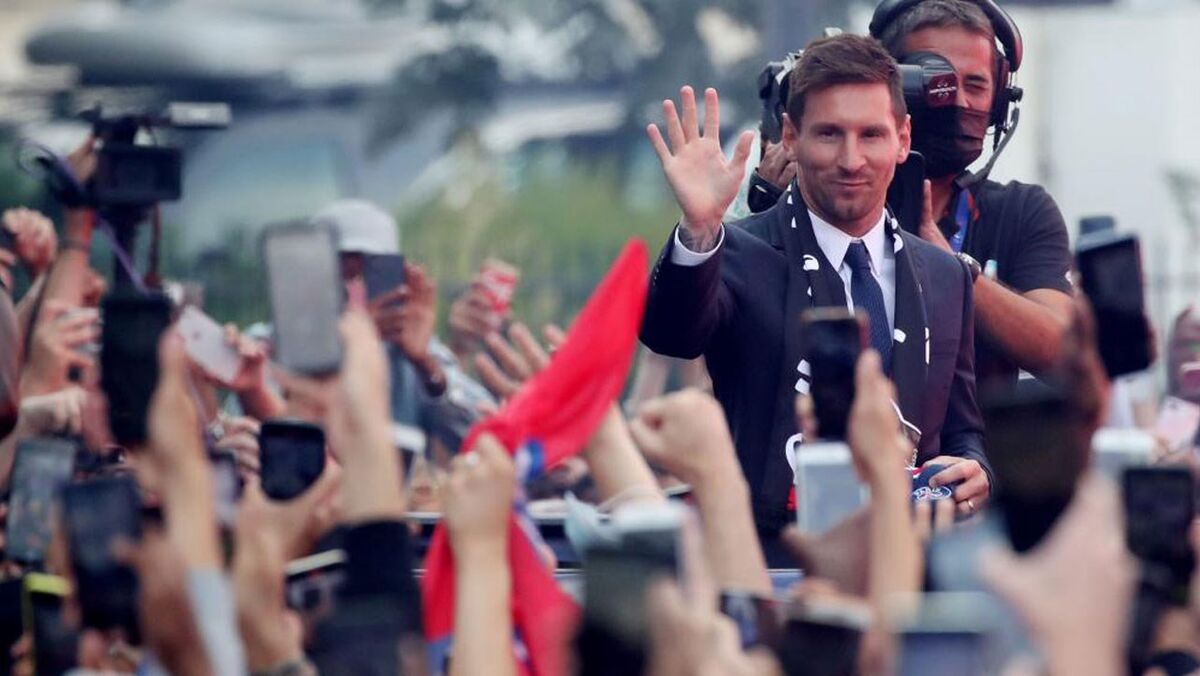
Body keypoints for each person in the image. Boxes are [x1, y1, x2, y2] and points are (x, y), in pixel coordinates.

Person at [640, 34, 988, 549]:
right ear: (790, 136)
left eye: (871, 135)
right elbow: (672, 335)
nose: (851, 160)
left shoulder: (944, 275)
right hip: (768, 561)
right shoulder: (736, 252)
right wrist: (698, 230)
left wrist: (976, 470)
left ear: (902, 138)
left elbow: (962, 430)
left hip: (909, 562)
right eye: (829, 134)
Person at [871, 0, 1074, 387]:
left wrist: (953, 270)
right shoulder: (836, 194)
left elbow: (1064, 352)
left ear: (998, 103)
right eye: (938, 81)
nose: (959, 101)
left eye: (976, 85)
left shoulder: (1021, 212)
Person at [310, 199, 493, 456]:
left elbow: (488, 437)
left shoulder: (409, 350)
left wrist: (426, 366)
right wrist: (347, 347)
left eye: (369, 276)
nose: (355, 292)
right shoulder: (274, 348)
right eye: (342, 277)